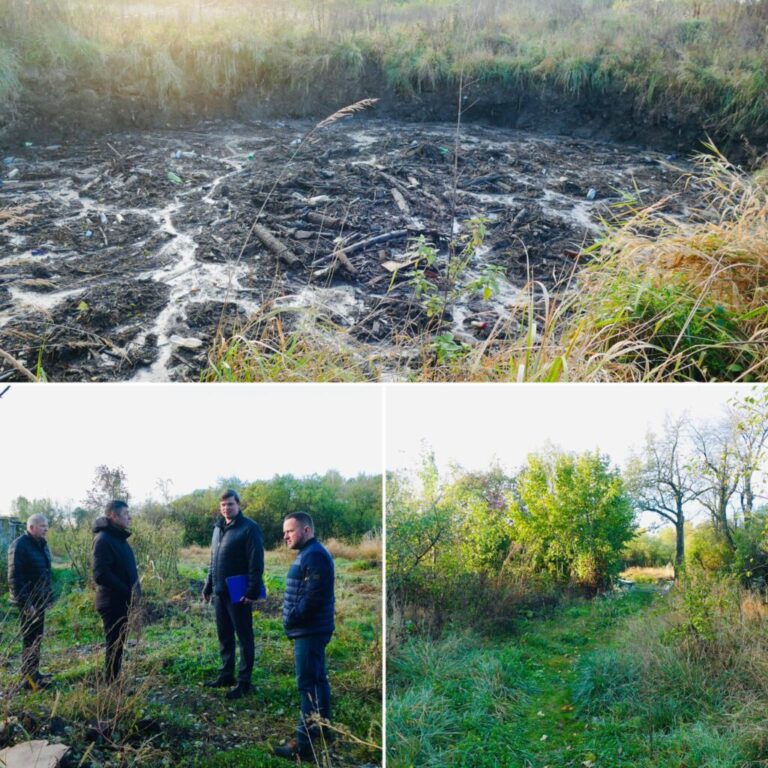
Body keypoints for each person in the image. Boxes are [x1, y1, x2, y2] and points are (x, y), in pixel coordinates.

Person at [274, 512, 335, 762]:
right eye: (285, 531)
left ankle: (304, 745)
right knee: (318, 679)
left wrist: (291, 618)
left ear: (307, 530)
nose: (285, 535)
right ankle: (323, 728)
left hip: (310, 631)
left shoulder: (316, 555)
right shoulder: (309, 553)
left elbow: (313, 598)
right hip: (311, 630)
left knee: (306, 686)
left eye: (290, 531)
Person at [202, 489, 264, 700]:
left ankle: (244, 682)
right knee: (224, 636)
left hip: (239, 592)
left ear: (239, 505)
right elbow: (213, 560)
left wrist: (252, 590)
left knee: (244, 637)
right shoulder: (218, 529)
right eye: (223, 505)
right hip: (220, 593)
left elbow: (256, 562)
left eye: (230, 504)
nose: (226, 508)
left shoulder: (249, 528)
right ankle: (226, 675)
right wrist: (208, 585)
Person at [92, 500, 140, 682]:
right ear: (113, 516)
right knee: (114, 644)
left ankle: (114, 681)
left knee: (118, 644)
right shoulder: (103, 539)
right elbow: (100, 574)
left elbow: (127, 570)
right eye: (126, 513)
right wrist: (127, 591)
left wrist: (135, 593)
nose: (130, 517)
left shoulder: (118, 539)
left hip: (122, 600)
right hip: (112, 602)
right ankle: (112, 686)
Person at [7, 514, 54, 689]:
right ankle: (28, 679)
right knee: (30, 639)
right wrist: (26, 605)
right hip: (29, 603)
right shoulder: (19, 546)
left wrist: (48, 597)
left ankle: (34, 672)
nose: (46, 529)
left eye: (47, 525)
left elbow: (45, 573)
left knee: (37, 638)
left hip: (40, 601)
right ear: (31, 527)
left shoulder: (42, 545)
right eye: (42, 526)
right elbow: (14, 579)